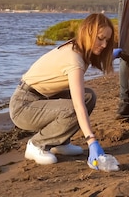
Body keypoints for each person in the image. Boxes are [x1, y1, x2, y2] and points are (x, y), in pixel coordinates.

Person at [9, 13, 117, 169]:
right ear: (88, 34)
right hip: (23, 106)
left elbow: (94, 63)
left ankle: (60, 142)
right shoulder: (74, 58)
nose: (105, 45)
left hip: (42, 99)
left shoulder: (78, 47)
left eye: (107, 40)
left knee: (89, 96)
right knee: (75, 107)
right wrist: (91, 140)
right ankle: (36, 145)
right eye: (100, 38)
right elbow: (79, 106)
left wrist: (113, 55)